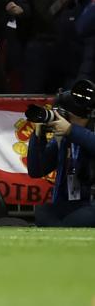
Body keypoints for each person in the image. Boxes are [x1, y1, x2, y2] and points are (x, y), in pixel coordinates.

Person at [27, 79, 95, 227]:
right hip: (71, 204)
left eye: (62, 115)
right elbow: (36, 170)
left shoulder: (84, 132)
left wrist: (71, 130)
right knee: (43, 213)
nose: (58, 120)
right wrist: (38, 136)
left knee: (77, 220)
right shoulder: (64, 139)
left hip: (90, 203)